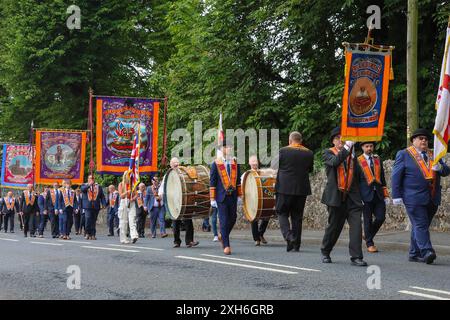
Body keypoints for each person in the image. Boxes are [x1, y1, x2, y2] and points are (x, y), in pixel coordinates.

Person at [392, 128, 450, 264]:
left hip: (432, 196)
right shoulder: (404, 154)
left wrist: (440, 168)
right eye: (420, 138)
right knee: (420, 224)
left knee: (420, 226)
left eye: (426, 138)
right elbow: (395, 176)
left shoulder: (433, 154)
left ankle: (414, 253)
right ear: (413, 141)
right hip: (413, 197)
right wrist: (396, 195)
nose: (424, 141)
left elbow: (446, 171)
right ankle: (427, 251)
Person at [320, 127, 367, 266]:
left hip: (352, 197)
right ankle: (325, 251)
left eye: (344, 137)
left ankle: (356, 257)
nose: (341, 140)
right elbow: (335, 162)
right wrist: (347, 148)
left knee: (357, 227)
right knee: (334, 227)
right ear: (333, 141)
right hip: (336, 197)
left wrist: (363, 196)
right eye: (338, 138)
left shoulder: (352, 156)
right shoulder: (327, 153)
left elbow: (360, 177)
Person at [275, 132, 314, 252]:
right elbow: (310, 169)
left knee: (282, 213)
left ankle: (289, 236)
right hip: (301, 189)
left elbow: (275, 166)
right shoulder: (309, 153)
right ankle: (296, 244)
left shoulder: (282, 151)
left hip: (284, 188)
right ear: (301, 141)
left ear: (290, 140)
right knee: (297, 216)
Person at [356, 142, 390, 253]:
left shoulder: (377, 159)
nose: (369, 148)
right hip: (365, 195)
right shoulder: (357, 161)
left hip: (378, 194)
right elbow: (355, 181)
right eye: (367, 146)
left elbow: (382, 177)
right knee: (367, 220)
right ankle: (370, 244)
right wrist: (358, 197)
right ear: (362, 147)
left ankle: (367, 235)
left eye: (371, 146)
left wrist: (385, 194)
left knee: (381, 217)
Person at [210, 140, 242, 255]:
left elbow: (238, 181)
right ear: (221, 149)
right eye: (226, 147)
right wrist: (212, 199)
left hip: (232, 195)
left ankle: (222, 235)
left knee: (233, 218)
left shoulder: (235, 163)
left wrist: (239, 195)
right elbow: (212, 181)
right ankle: (226, 246)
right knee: (223, 220)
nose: (228, 149)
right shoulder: (216, 163)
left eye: (230, 147)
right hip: (221, 196)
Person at [247, 155, 270, 246]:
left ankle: (260, 233)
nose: (254, 163)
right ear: (249, 163)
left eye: (255, 161)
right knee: (254, 219)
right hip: (251, 200)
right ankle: (256, 239)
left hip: (262, 198)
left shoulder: (263, 173)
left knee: (267, 215)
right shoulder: (246, 175)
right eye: (252, 161)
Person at [81, 174, 106, 240]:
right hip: (87, 206)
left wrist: (104, 204)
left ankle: (93, 234)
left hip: (95, 206)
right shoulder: (84, 185)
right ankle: (87, 233)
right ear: (88, 179)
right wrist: (89, 185)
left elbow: (102, 196)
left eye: (92, 178)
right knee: (88, 219)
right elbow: (83, 190)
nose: (91, 179)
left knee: (93, 221)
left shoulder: (98, 186)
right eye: (90, 178)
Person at [118, 171, 139, 244]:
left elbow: (136, 194)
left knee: (132, 219)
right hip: (124, 202)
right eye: (129, 176)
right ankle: (123, 238)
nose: (130, 177)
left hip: (131, 202)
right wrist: (127, 192)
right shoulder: (121, 184)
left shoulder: (133, 185)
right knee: (123, 221)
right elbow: (121, 195)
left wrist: (133, 198)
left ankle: (134, 236)